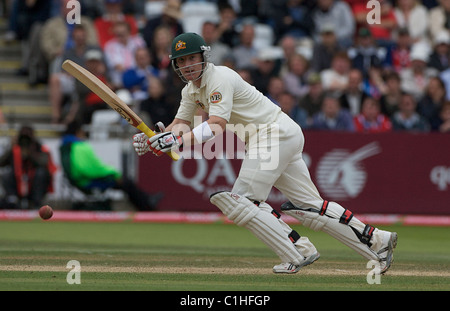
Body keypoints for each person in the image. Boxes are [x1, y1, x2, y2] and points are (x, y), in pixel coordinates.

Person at [132, 33, 397, 274]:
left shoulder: (219, 78)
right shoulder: (190, 90)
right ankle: (377, 241)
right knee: (308, 207)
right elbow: (179, 125)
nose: (188, 65)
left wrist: (174, 142)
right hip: (278, 135)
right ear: (175, 66)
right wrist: (155, 139)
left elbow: (216, 127)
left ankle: (298, 251)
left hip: (272, 135)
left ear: (203, 56)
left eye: (192, 58)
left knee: (242, 200)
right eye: (181, 61)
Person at [61, 121, 162, 211]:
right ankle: (146, 206)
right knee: (126, 182)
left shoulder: (66, 147)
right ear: (78, 132)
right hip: (89, 181)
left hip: (81, 180)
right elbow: (90, 169)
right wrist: (112, 173)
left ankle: (146, 203)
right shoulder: (80, 146)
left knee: (125, 183)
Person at [0, 125, 57, 209]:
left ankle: (36, 202)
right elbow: (1, 163)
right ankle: (12, 200)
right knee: (6, 173)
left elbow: (44, 163)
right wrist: (11, 147)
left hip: (33, 181)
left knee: (41, 173)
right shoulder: (15, 149)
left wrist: (31, 153)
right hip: (17, 180)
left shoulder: (39, 147)